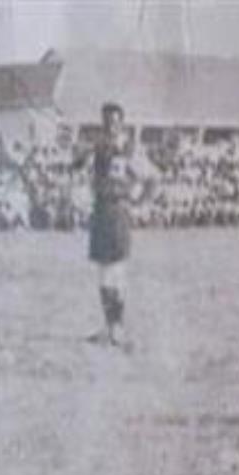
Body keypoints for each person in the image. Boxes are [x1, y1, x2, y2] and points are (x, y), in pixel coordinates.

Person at [72, 102, 153, 350]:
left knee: (116, 271)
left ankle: (117, 327)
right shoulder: (97, 147)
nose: (111, 126)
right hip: (100, 211)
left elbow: (151, 179)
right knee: (103, 272)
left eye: (115, 122)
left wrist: (138, 203)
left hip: (118, 211)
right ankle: (110, 327)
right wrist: (81, 154)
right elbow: (76, 166)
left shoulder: (129, 149)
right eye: (107, 122)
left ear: (122, 123)